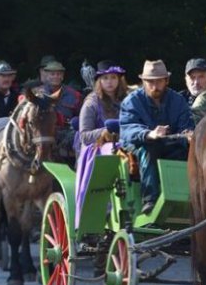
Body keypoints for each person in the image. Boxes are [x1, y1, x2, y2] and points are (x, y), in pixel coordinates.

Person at [119, 60, 193, 214]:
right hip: (139, 145)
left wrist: (188, 134)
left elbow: (186, 124)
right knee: (149, 150)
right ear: (143, 82)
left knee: (188, 152)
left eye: (159, 81)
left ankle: (187, 199)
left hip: (172, 143)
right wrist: (148, 134)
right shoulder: (131, 101)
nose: (154, 86)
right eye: (150, 82)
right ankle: (149, 199)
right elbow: (128, 128)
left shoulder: (178, 101)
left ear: (166, 80)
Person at [37, 55, 83, 162]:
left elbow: (82, 117)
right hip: (43, 135)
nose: (55, 77)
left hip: (67, 136)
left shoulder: (75, 95)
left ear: (62, 76)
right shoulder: (37, 94)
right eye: (52, 74)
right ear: (46, 75)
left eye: (58, 74)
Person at [76, 61, 129, 152]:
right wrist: (104, 132)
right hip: (98, 149)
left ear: (119, 80)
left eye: (113, 77)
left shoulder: (128, 100)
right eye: (105, 78)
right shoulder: (91, 103)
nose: (109, 81)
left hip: (126, 145)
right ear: (99, 81)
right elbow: (84, 136)